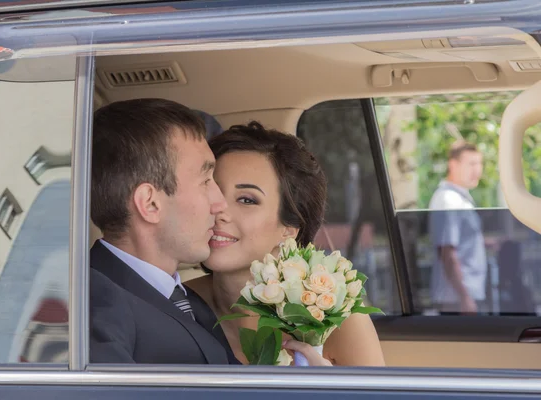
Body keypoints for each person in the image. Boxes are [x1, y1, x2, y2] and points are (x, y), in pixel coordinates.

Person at [89, 99, 327, 366]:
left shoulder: (185, 301)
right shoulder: (96, 302)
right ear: (150, 203)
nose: (220, 204)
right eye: (206, 182)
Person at [186, 121, 386, 366]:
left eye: (247, 200)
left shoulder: (334, 320)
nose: (218, 209)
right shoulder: (175, 304)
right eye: (213, 189)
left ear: (288, 230)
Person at [428, 140, 487, 315]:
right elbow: (447, 252)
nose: (477, 170)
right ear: (452, 165)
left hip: (465, 296)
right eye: (471, 164)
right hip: (456, 299)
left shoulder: (461, 198)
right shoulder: (448, 200)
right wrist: (464, 297)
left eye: (479, 163)